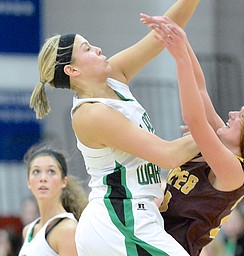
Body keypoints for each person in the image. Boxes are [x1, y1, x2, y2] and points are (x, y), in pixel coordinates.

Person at [29, 1, 201, 255]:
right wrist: (220, 134)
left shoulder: (114, 77)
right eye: (87, 49)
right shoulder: (91, 113)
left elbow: (164, 31)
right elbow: (169, 155)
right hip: (117, 219)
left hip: (131, 216)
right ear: (72, 69)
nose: (98, 49)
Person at [141, 15, 244, 256]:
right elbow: (200, 88)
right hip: (154, 238)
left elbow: (195, 120)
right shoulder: (222, 139)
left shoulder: (234, 173)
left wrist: (180, 58)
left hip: (171, 250)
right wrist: (181, 38)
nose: (232, 114)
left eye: (242, 116)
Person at [19, 145, 88, 256]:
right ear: (28, 182)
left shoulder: (68, 230)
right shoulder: (28, 230)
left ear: (64, 182)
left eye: (51, 171)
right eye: (36, 172)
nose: (43, 178)